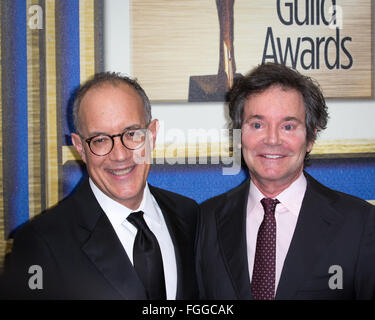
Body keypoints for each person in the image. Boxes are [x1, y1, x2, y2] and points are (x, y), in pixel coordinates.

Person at [3, 72, 199, 299]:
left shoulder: (190, 216)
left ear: (152, 135)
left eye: (132, 133)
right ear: (80, 147)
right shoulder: (39, 242)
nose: (119, 155)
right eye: (100, 140)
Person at [195, 62, 375, 300]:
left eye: (288, 126)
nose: (272, 139)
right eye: (257, 125)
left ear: (310, 137)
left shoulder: (361, 224)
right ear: (238, 136)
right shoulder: (205, 220)